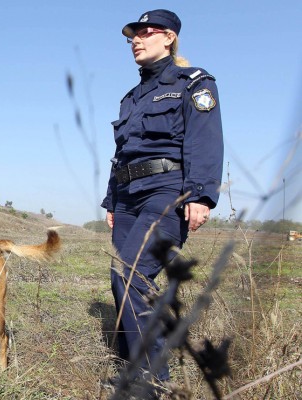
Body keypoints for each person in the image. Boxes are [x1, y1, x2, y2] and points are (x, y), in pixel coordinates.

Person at [101, 9, 223, 385]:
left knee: (133, 275)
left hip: (167, 191)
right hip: (127, 197)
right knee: (119, 277)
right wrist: (111, 200)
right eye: (132, 36)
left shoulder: (193, 83)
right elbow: (123, 150)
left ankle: (152, 381)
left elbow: (204, 140)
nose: (136, 40)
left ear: (169, 37)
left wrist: (201, 195)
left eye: (146, 33)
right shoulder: (132, 97)